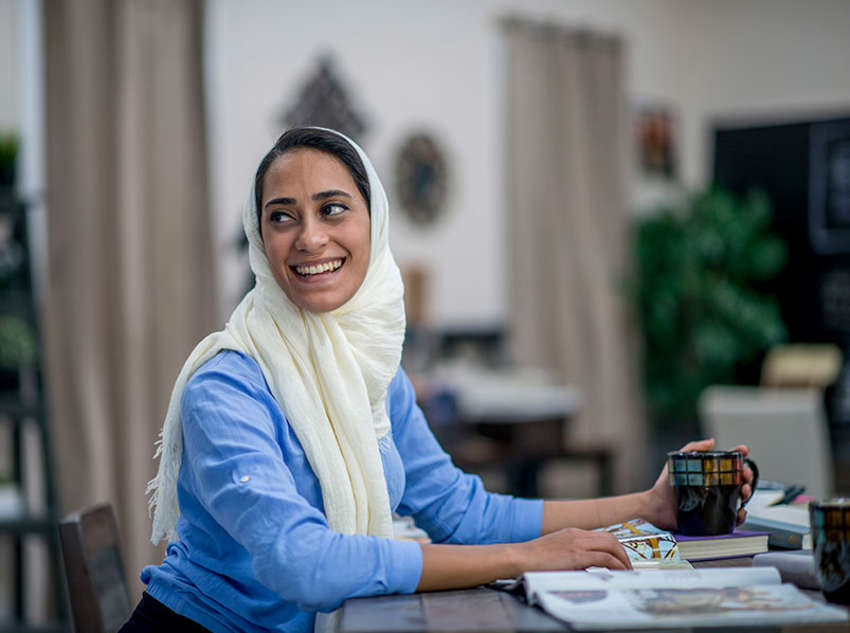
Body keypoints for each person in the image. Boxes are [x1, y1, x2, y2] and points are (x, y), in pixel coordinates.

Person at [120, 127, 754, 633]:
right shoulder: (224, 388)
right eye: (282, 217)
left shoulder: (372, 373)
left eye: (333, 209)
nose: (310, 237)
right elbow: (302, 563)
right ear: (260, 239)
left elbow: (463, 513)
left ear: (375, 222)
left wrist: (647, 507)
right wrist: (527, 557)